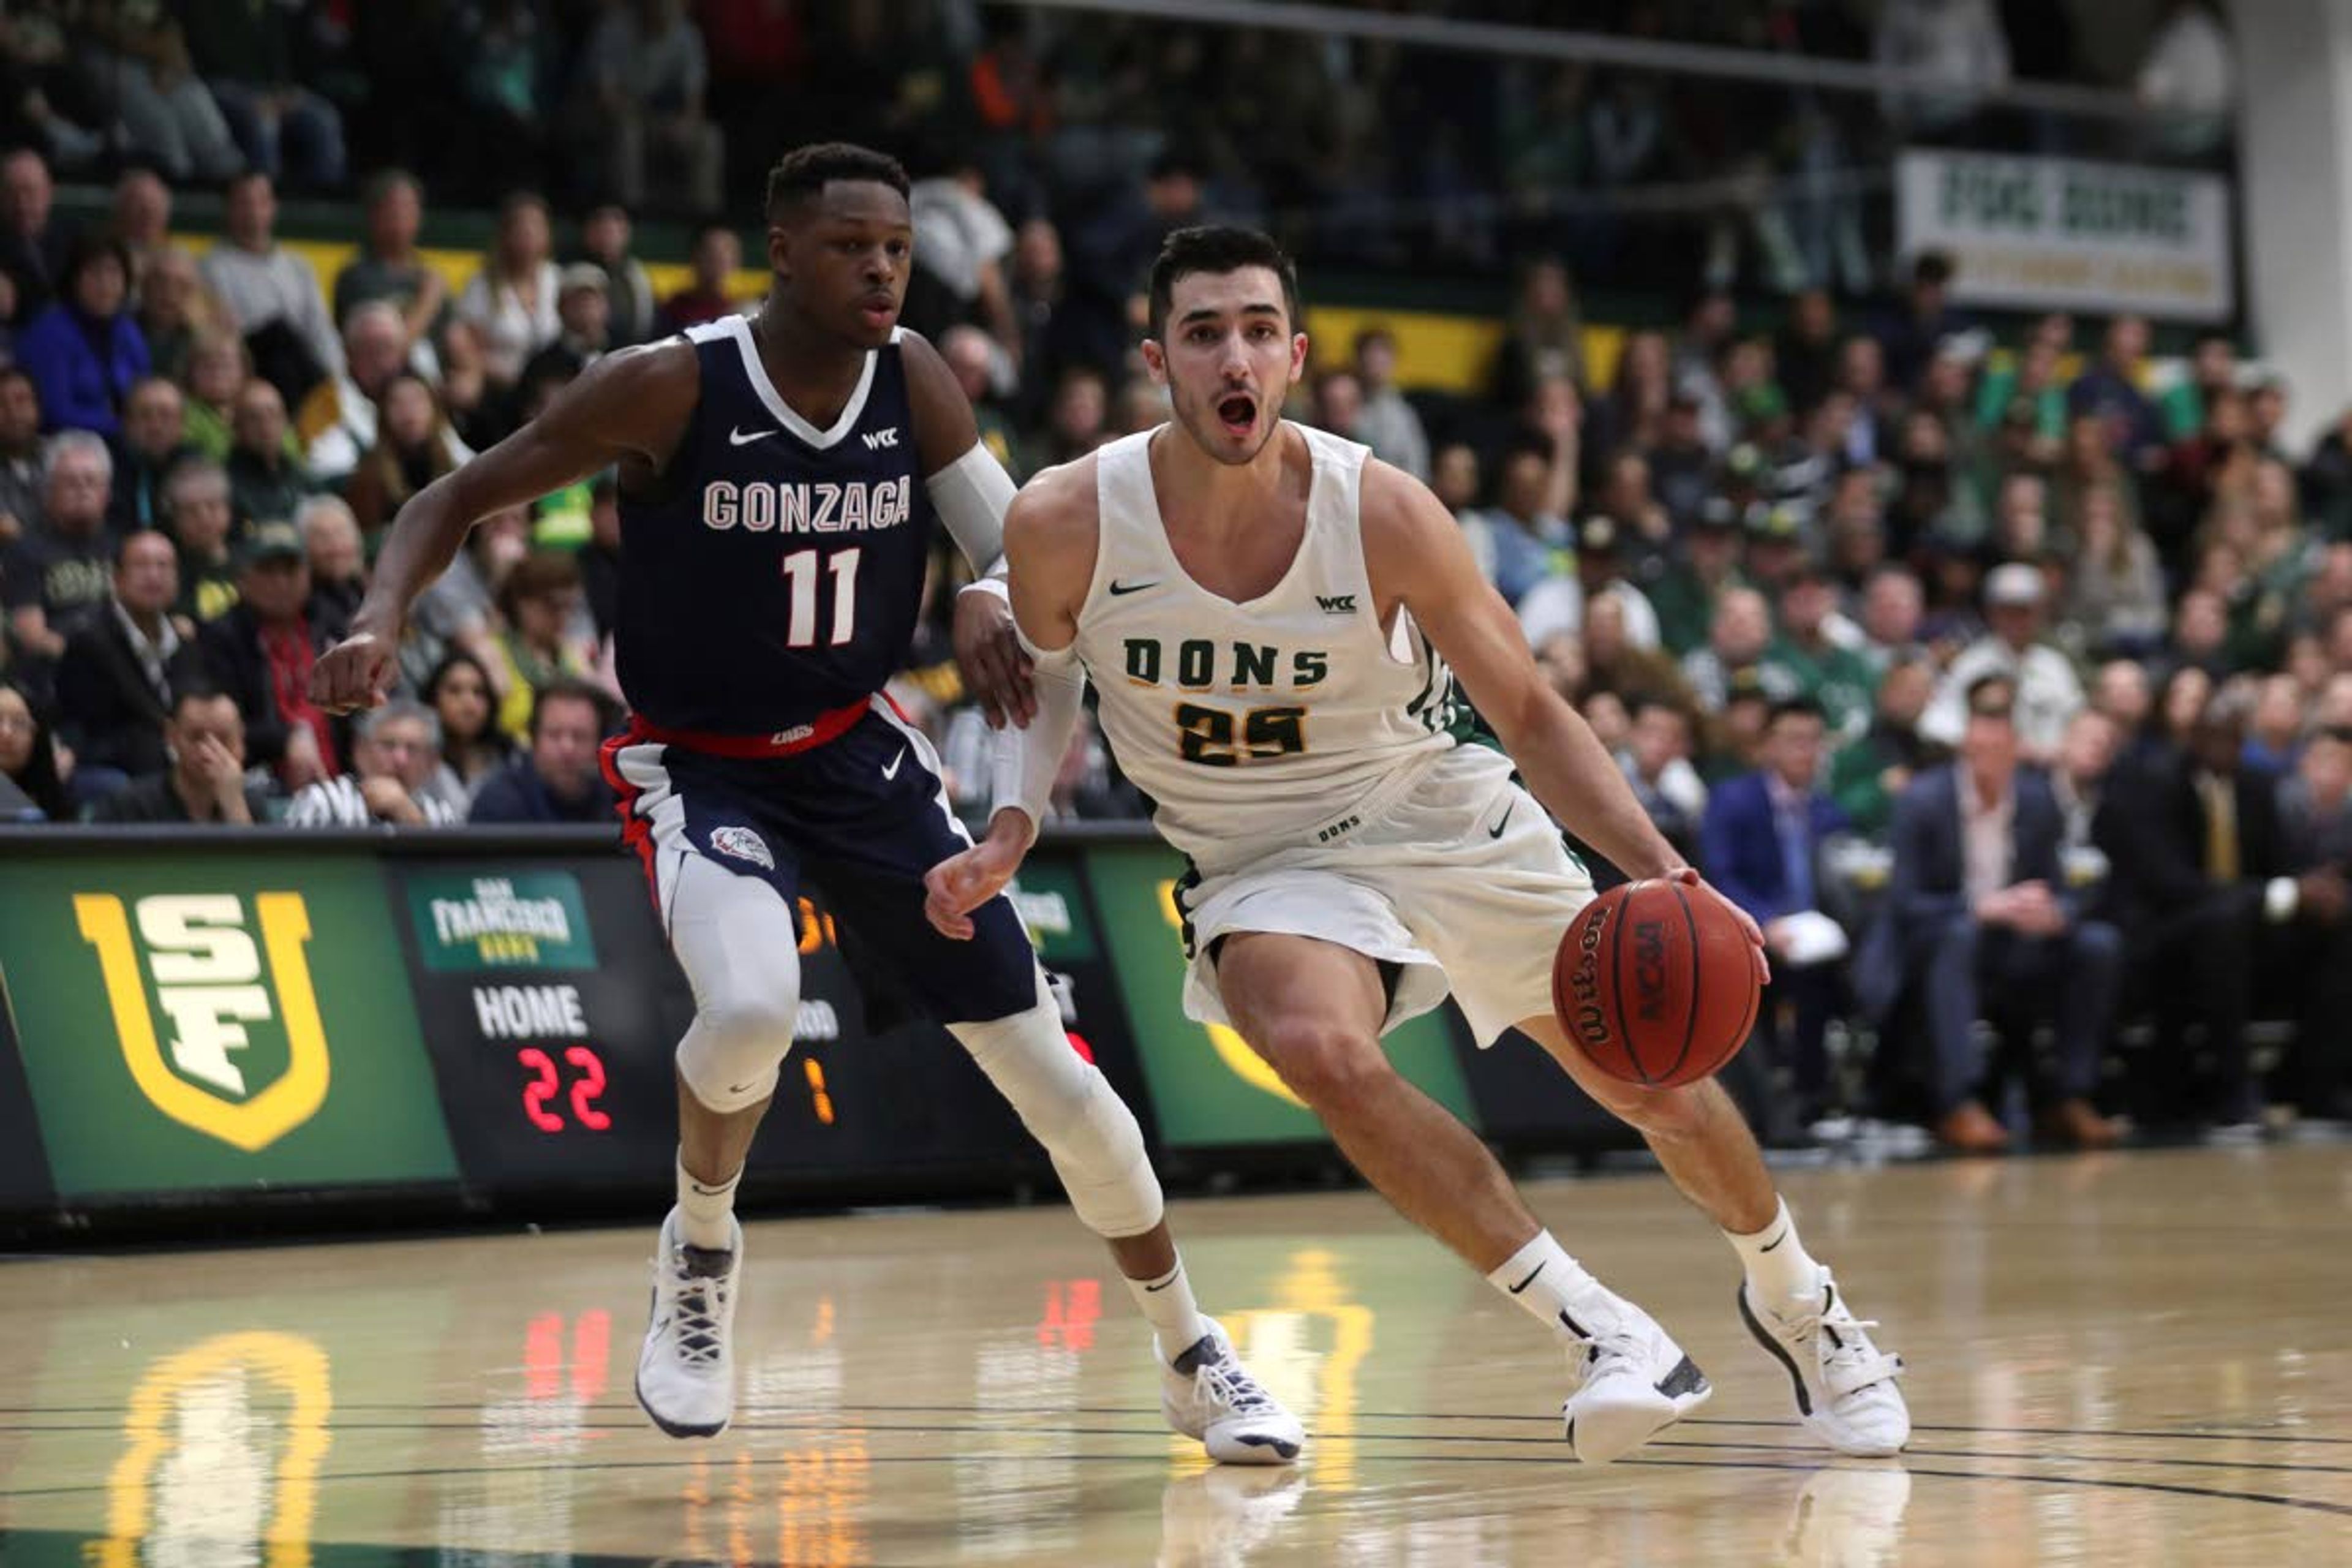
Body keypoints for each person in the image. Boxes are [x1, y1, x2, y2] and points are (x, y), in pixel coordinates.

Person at [309, 144, 1300, 1461]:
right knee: (753, 1005)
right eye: (851, 245)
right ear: (781, 251)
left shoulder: (918, 379)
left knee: (1061, 1085)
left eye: (896, 244)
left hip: (856, 756)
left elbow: (1021, 538)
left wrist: (989, 590)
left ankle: (1190, 1349)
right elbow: (454, 493)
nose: (883, 267)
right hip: (702, 761)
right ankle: (701, 1253)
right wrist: (381, 616)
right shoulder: (668, 383)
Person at [927, 225, 1909, 1464]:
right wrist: (1015, 820)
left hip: (1434, 808)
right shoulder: (1066, 515)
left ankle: (1801, 1304)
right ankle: (1603, 1330)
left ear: (1295, 353)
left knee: (1648, 1077)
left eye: (1257, 329)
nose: (1234, 354)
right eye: (1202, 331)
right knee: (1314, 1047)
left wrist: (1656, 864)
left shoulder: (1381, 509)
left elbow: (1535, 711)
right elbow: (1055, 673)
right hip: (1255, 852)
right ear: (1158, 360)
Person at [1861, 676, 2122, 1153]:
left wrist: (2053, 912)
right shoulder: (1923, 800)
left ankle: (2069, 1094)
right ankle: (1958, 1100)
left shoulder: (2038, 801)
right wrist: (1981, 908)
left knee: (2096, 944)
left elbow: (2061, 887)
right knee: (1959, 935)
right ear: (1965, 748)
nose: (1988, 760)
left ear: (2015, 752)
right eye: (1978, 749)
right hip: (1934, 944)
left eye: (1999, 750)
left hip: (2013, 944)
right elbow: (1903, 903)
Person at [89, 682, 271, 824]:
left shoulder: (252, 806)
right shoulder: (128, 807)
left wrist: (235, 808)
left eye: (224, 739)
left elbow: (262, 872)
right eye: (196, 737)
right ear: (172, 736)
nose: (209, 752)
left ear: (241, 739)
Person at [286, 698, 464, 827]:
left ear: (431, 764)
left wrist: (410, 817)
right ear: (360, 752)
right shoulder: (322, 802)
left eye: (413, 749)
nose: (400, 759)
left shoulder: (441, 815)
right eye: (388, 746)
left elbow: (449, 877)